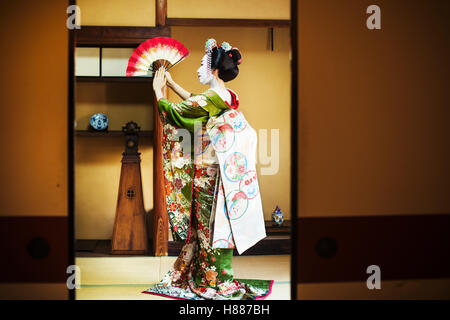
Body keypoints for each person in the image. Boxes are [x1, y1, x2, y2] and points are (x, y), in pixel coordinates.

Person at [143, 39, 272, 300]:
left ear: (213, 69)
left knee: (208, 229)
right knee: (209, 228)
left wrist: (158, 92)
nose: (198, 70)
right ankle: (209, 274)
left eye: (202, 65)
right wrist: (171, 84)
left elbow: (180, 112)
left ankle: (214, 278)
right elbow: (195, 103)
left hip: (209, 175)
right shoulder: (226, 96)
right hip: (218, 172)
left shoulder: (212, 98)